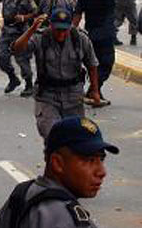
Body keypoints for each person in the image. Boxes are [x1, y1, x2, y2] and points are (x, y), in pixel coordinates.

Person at [0, 115, 119, 228]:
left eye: (101, 159)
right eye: (89, 160)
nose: (101, 171)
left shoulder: (22, 193)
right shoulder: (70, 226)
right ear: (58, 163)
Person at [13, 9, 100, 140]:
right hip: (48, 96)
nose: (61, 33)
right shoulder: (40, 37)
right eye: (58, 29)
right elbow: (17, 49)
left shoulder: (80, 39)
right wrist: (31, 29)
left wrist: (95, 90)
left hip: (73, 97)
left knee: (74, 139)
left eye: (65, 30)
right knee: (53, 136)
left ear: (70, 26)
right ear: (51, 25)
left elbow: (92, 64)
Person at [74, 0, 125, 107]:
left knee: (93, 63)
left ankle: (96, 90)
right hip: (106, 34)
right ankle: (92, 90)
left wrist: (72, 32)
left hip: (91, 33)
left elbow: (77, 14)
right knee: (107, 64)